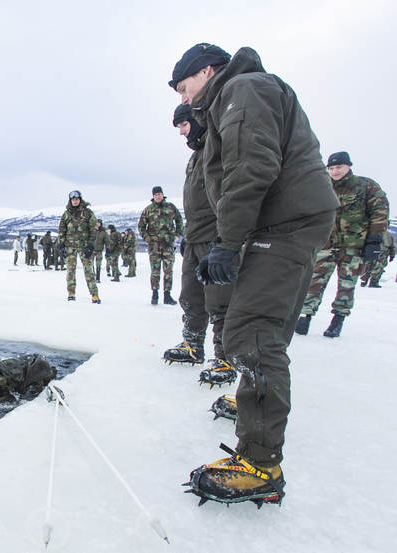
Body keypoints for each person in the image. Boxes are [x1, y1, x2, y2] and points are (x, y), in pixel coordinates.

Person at [170, 43, 338, 505]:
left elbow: (250, 167)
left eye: (186, 89)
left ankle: (260, 467)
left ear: (206, 72)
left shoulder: (242, 89)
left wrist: (227, 242)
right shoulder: (236, 94)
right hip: (279, 221)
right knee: (257, 327)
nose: (186, 100)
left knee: (251, 332)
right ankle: (252, 409)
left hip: (283, 222)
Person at [162, 104, 236, 385]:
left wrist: (226, 238)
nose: (181, 132)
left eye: (183, 125)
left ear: (197, 120)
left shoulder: (218, 149)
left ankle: (225, 357)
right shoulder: (196, 156)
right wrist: (186, 236)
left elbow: (229, 195)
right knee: (192, 298)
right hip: (194, 237)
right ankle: (192, 344)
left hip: (215, 237)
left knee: (219, 301)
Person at [294, 152, 389, 337]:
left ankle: (338, 320)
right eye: (331, 168)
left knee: (346, 286)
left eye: (339, 167)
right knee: (314, 282)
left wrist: (374, 240)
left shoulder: (366, 186)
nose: (335, 171)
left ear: (348, 166)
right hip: (326, 245)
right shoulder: (322, 187)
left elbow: (380, 212)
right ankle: (305, 317)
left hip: (354, 246)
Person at [138, 186, 182, 305]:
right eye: (156, 194)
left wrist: (177, 235)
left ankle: (167, 295)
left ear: (163, 195)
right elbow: (141, 226)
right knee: (155, 271)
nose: (158, 196)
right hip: (154, 246)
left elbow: (179, 220)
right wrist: (147, 239)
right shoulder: (148, 210)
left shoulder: (171, 207)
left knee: (168, 270)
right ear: (153, 196)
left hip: (168, 244)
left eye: (159, 194)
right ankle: (155, 294)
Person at [58, 190, 100, 303]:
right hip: (70, 247)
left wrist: (91, 245)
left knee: (88, 270)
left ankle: (94, 294)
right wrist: (61, 244)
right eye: (73, 199)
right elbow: (61, 230)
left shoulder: (88, 213)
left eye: (76, 199)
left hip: (84, 247)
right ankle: (71, 293)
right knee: (70, 271)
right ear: (70, 201)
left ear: (80, 200)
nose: (75, 201)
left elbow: (94, 229)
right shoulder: (66, 214)